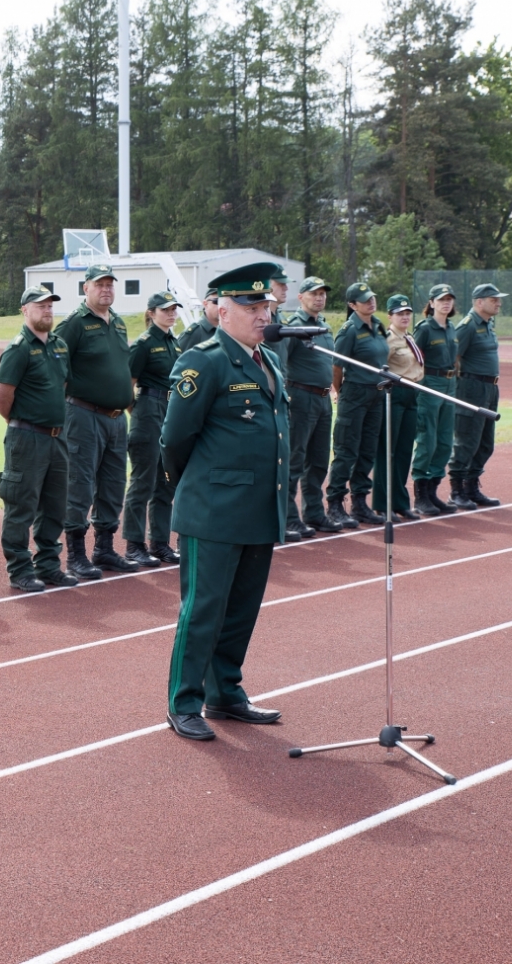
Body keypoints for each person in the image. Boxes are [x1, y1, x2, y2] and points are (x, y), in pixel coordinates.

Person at [160, 262, 290, 742]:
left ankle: (226, 693)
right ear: (223, 309)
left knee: (241, 608)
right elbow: (174, 439)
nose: (264, 316)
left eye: (268, 307)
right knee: (203, 609)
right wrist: (196, 491)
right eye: (254, 307)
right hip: (213, 509)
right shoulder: (204, 360)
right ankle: (184, 702)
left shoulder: (268, 362)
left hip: (259, 507)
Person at [53, 265, 138, 578]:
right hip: (84, 415)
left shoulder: (117, 323)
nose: (106, 289)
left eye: (110, 284)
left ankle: (104, 547)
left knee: (114, 484)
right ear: (85, 288)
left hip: (116, 419)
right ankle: (76, 554)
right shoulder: (74, 324)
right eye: (99, 284)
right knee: (80, 484)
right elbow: (57, 370)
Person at [0, 286, 77, 591]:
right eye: (40, 305)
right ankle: (20, 570)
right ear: (25, 310)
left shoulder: (59, 345)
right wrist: (21, 423)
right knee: (21, 505)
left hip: (56, 438)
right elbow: (2, 396)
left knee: (55, 504)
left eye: (50, 305)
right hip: (27, 437)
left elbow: (63, 386)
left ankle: (49, 565)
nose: (47, 310)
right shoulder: (18, 348)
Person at [122, 292, 182, 568]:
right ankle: (134, 544)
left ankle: (159, 542)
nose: (171, 314)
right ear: (151, 313)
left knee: (165, 481)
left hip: (170, 411)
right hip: (148, 408)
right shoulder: (144, 344)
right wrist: (141, 413)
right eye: (165, 309)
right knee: (143, 480)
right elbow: (128, 384)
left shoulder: (174, 343)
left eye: (173, 309)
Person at [324, 282, 389, 530]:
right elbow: (337, 367)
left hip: (376, 395)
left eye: (371, 297)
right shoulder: (349, 330)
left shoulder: (378, 325)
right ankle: (335, 504)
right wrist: (340, 392)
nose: (370, 302)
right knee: (346, 450)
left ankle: (360, 502)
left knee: (367, 450)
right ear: (352, 305)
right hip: (355, 394)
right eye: (364, 300)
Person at [281, 277, 338, 536]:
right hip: (301, 398)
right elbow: (281, 363)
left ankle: (314, 513)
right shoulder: (293, 327)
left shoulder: (324, 327)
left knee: (318, 460)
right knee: (295, 459)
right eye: (314, 293)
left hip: (324, 399)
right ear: (301, 297)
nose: (320, 298)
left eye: (323, 293)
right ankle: (289, 517)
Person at [448, 283, 506, 509]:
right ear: (479, 302)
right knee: (466, 441)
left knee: (485, 443)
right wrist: (457, 388)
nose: (498, 303)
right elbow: (454, 357)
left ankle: (471, 487)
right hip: (471, 388)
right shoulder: (468, 326)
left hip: (490, 388)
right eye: (494, 299)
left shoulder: (488, 324)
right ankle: (456, 490)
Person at [371, 294, 426, 520]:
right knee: (387, 450)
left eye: (407, 313)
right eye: (399, 313)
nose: (404, 317)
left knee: (404, 451)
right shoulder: (388, 339)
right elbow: (378, 369)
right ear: (389, 316)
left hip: (412, 394)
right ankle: (383, 504)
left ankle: (401, 502)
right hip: (393, 393)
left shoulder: (408, 337)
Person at [411, 283, 460, 515]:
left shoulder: (452, 328)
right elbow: (414, 359)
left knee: (444, 441)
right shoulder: (425, 329)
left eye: (449, 299)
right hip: (430, 384)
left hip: (450, 385)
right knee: (427, 439)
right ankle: (421, 495)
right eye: (441, 300)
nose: (446, 303)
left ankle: (433, 491)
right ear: (431, 304)